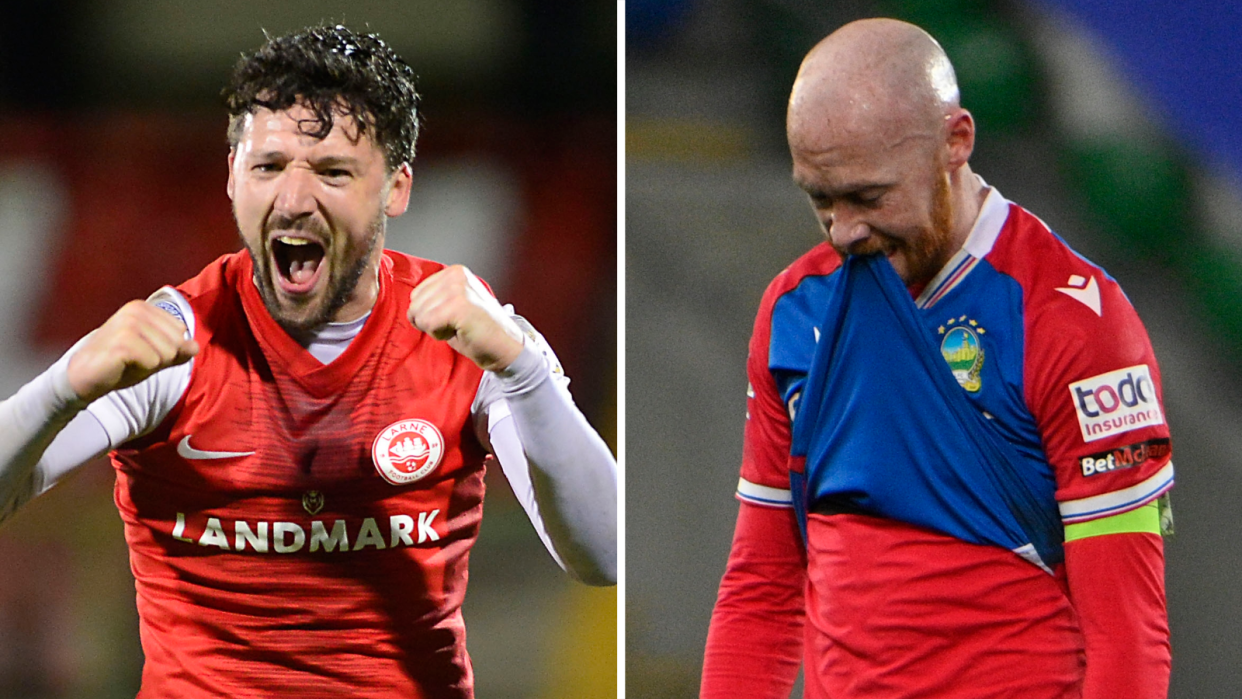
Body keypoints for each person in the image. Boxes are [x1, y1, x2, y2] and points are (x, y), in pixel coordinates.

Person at [0, 24, 617, 699]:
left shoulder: (472, 337)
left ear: (397, 188)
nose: (294, 200)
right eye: (268, 168)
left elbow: (604, 555)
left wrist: (523, 369)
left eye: (332, 171)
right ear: (233, 179)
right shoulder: (176, 342)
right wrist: (62, 386)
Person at [701, 18, 1172, 699]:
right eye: (820, 200)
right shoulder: (793, 312)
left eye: (868, 196)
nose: (845, 231)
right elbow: (762, 586)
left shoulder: (1072, 322)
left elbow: (1126, 630)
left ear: (956, 142)